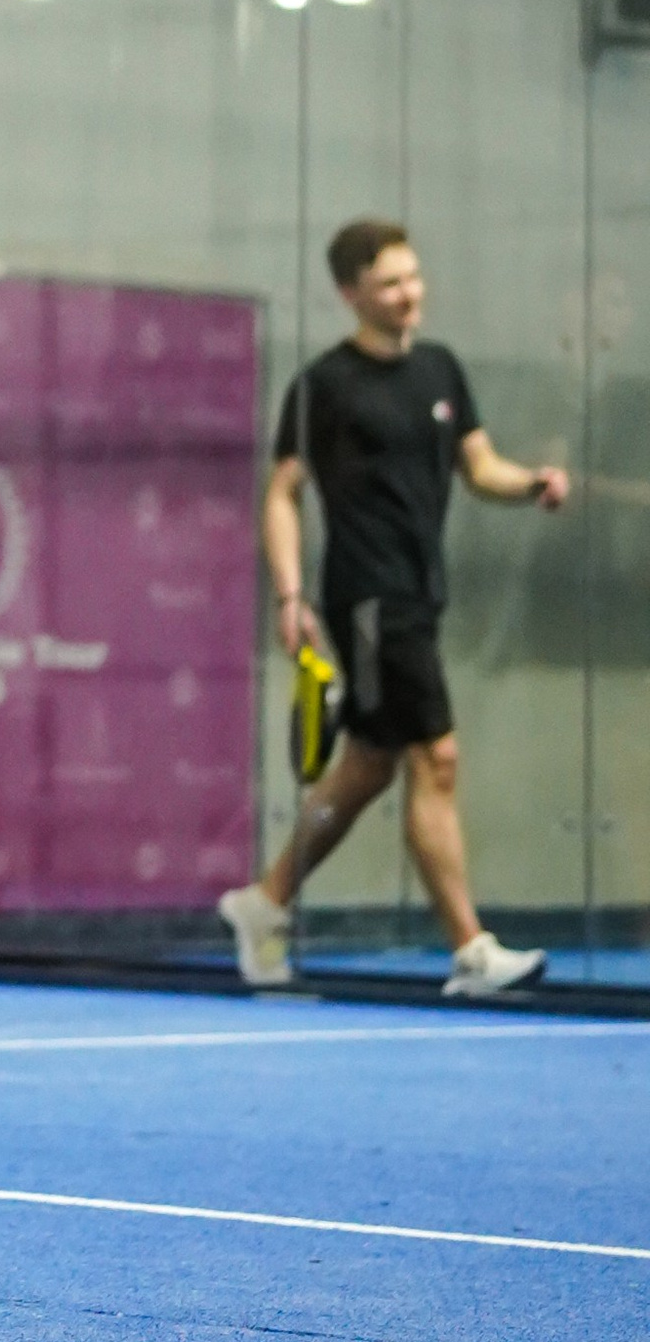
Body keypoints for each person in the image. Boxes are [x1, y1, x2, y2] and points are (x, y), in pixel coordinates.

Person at [220, 217, 565, 998]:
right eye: (389, 284)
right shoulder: (325, 385)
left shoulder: (440, 369)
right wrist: (290, 595)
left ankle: (264, 902)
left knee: (370, 764)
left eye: (412, 277)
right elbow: (282, 494)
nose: (409, 294)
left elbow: (480, 466)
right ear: (351, 294)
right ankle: (471, 951)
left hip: (421, 590)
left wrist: (531, 484)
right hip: (369, 599)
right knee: (436, 757)